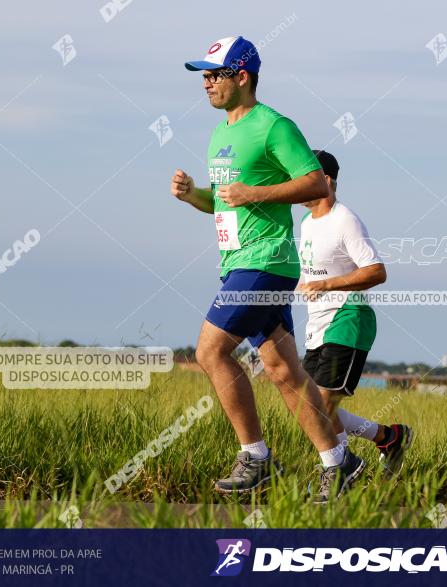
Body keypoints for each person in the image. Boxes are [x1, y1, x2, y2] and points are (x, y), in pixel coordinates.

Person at [172, 36, 364, 501]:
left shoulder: (274, 126)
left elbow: (315, 181)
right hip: (237, 262)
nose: (207, 82)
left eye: (215, 74)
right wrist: (194, 194)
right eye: (204, 74)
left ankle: (256, 457)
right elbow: (222, 204)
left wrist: (254, 194)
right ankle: (339, 463)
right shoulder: (221, 133)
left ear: (243, 76)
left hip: (266, 263)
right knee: (283, 372)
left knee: (211, 351)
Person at [287, 149, 414, 481]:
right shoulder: (306, 222)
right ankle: (389, 438)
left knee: (323, 408)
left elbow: (376, 271)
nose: (296, 186)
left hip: (348, 319)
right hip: (318, 326)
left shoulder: (345, 219)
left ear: (325, 181)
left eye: (304, 179)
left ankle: (342, 471)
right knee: (309, 409)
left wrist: (328, 284)